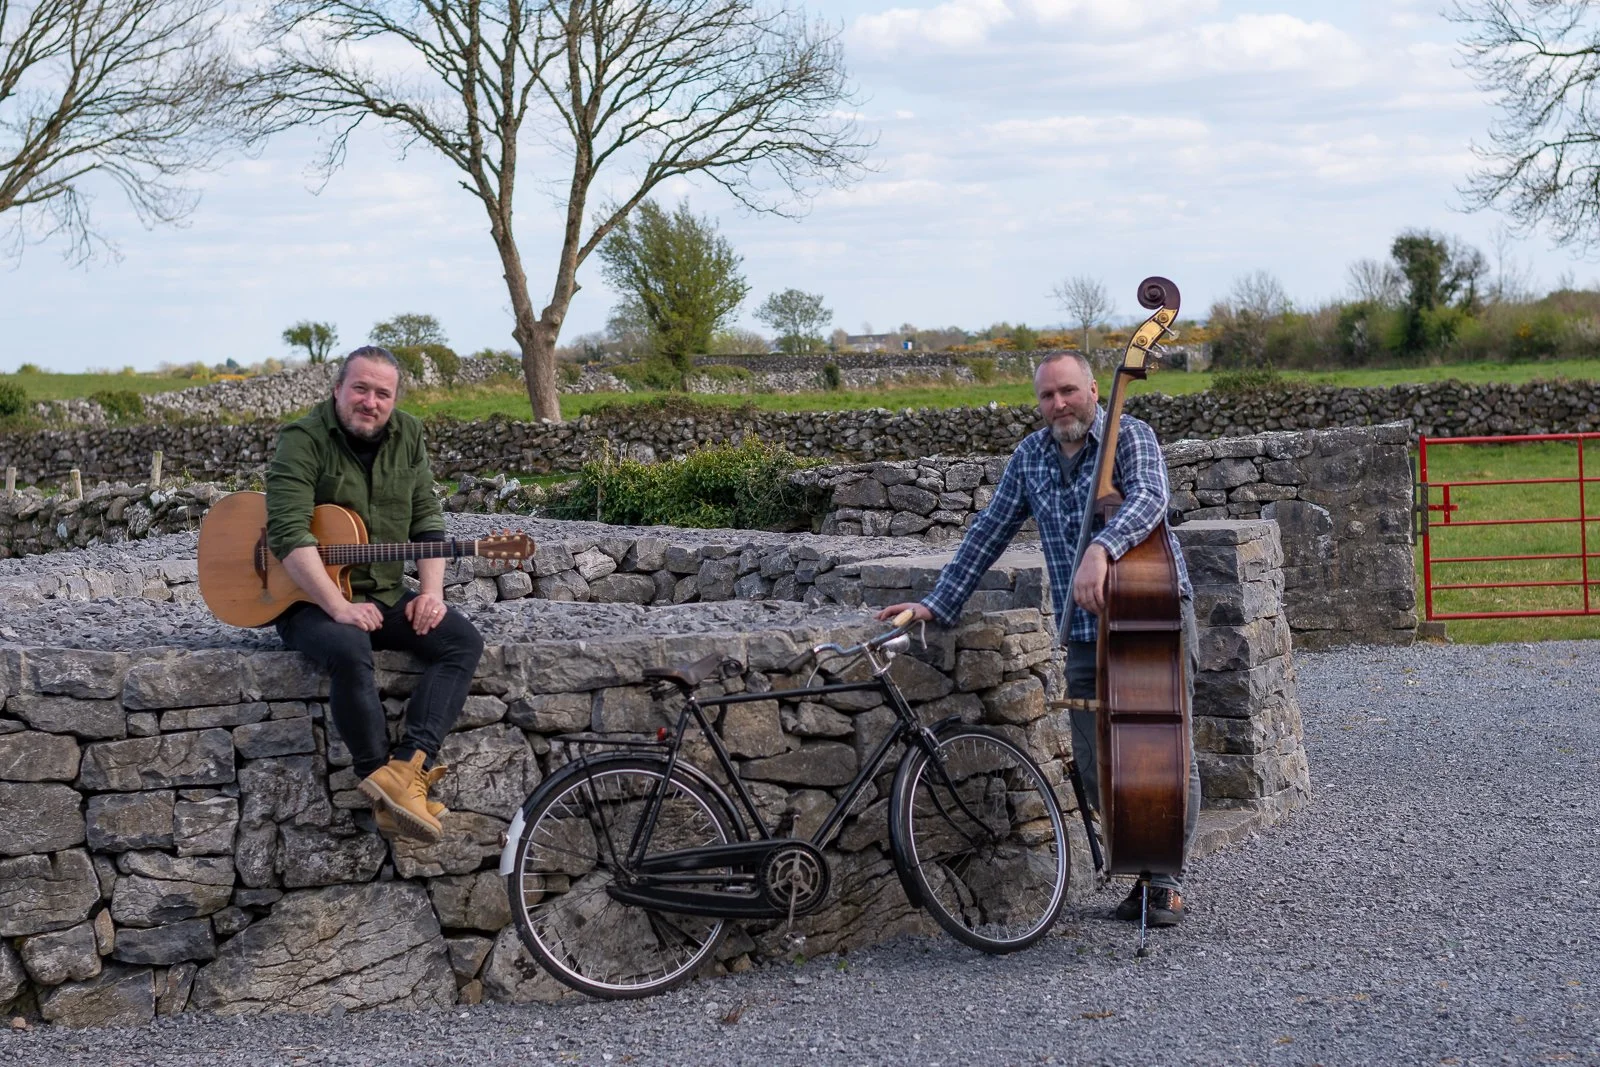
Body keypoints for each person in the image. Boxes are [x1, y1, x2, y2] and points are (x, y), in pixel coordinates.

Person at [877, 350, 1202, 927]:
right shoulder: (1030, 457)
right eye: (1048, 396)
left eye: (1069, 391)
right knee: (1095, 760)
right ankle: (1141, 867)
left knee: (1167, 756)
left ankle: (1164, 880)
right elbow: (989, 532)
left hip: (1155, 612)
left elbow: (1152, 499)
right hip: (1084, 629)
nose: (1059, 404)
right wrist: (936, 602)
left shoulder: (1131, 436)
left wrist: (1102, 547)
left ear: (1095, 390)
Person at [265, 346, 484, 844]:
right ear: (337, 389)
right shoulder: (303, 439)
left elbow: (428, 520)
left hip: (382, 591)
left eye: (382, 393)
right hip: (306, 598)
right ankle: (378, 780)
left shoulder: (408, 434)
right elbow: (287, 534)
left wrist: (430, 593)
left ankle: (404, 770)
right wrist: (337, 605)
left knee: (461, 642)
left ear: (394, 399)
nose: (370, 401)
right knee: (348, 646)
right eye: (360, 389)